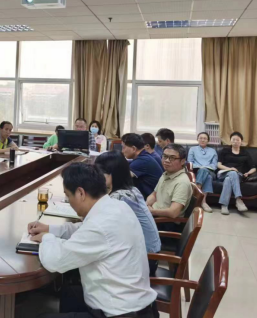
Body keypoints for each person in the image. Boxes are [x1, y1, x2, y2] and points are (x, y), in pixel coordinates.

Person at [29, 163, 158, 318]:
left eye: (68, 195)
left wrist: (47, 238)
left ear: (80, 193)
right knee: (69, 290)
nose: (68, 201)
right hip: (138, 306)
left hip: (120, 314)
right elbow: (85, 229)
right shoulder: (117, 206)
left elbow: (54, 261)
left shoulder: (99, 225)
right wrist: (50, 228)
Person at [95, 152, 161, 276]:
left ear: (112, 174)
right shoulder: (131, 190)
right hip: (149, 255)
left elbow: (101, 226)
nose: (96, 177)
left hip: (144, 260)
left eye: (99, 173)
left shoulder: (120, 197)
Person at [146, 144, 193, 231]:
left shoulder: (182, 182)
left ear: (182, 161)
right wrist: (146, 205)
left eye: (172, 158)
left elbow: (173, 212)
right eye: (165, 156)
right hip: (155, 216)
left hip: (166, 223)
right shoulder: (166, 174)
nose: (167, 160)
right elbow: (154, 194)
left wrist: (151, 211)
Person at [217, 132, 255, 215]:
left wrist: (248, 173)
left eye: (237, 140)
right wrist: (230, 169)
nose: (235, 141)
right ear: (230, 141)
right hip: (223, 172)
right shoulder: (225, 151)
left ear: (241, 141)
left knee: (228, 179)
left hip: (238, 175)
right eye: (233, 139)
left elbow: (253, 167)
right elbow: (219, 165)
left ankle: (224, 205)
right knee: (232, 173)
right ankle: (238, 199)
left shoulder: (245, 153)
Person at [121, 133, 164, 199]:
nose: (122, 151)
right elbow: (128, 162)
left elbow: (121, 178)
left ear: (133, 149)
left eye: (123, 147)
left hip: (150, 199)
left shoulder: (142, 161)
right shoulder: (144, 156)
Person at [187, 132, 218, 213]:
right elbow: (190, 162)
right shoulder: (193, 149)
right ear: (197, 139)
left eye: (205, 138)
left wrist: (205, 168)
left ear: (208, 140)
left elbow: (214, 165)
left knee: (205, 171)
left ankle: (196, 192)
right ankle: (203, 202)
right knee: (208, 177)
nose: (202, 140)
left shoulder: (212, 151)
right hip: (196, 171)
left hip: (210, 171)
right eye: (200, 138)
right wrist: (200, 167)